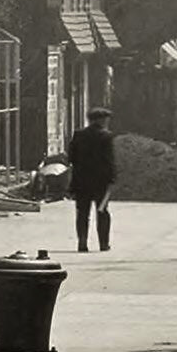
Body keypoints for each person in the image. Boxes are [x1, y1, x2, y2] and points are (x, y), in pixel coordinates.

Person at [63, 107, 121, 254]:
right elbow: (109, 160)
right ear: (100, 120)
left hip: (81, 180)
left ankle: (82, 243)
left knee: (82, 213)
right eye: (106, 119)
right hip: (101, 182)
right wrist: (112, 178)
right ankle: (103, 243)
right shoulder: (106, 136)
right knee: (102, 211)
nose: (107, 122)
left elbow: (71, 158)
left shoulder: (78, 135)